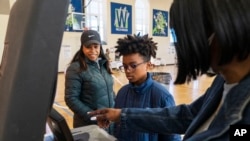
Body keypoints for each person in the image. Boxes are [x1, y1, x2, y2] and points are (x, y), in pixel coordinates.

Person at [89, 0, 250, 140]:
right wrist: (121, 115)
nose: (184, 48)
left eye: (186, 36)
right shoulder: (221, 83)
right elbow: (187, 117)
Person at [113, 34, 181, 141]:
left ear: (148, 65)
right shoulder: (122, 93)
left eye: (133, 65)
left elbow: (172, 137)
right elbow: (117, 129)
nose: (128, 70)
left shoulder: (163, 96)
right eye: (125, 66)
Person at [64, 30, 115, 129]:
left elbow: (109, 90)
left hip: (108, 123)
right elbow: (71, 99)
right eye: (88, 47)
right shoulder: (75, 68)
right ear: (82, 47)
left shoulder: (104, 65)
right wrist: (94, 117)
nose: (93, 51)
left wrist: (115, 110)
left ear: (100, 47)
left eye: (96, 46)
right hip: (88, 124)